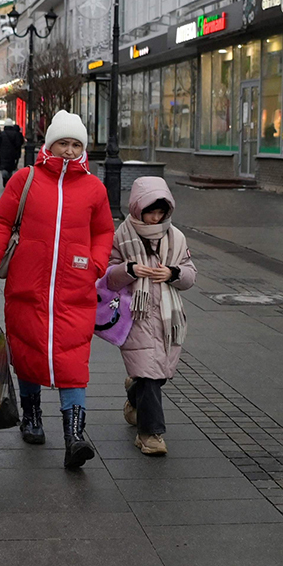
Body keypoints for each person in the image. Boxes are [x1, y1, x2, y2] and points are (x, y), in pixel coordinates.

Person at [0, 110, 113, 469]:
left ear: (84, 148)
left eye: (75, 144)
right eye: (62, 143)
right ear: (50, 144)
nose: (68, 150)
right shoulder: (25, 180)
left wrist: (95, 264)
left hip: (74, 289)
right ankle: (31, 416)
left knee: (73, 360)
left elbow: (104, 232)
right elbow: (2, 223)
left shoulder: (94, 188)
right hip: (27, 286)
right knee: (28, 351)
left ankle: (75, 436)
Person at [106, 177, 196, 456]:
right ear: (137, 208)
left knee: (158, 374)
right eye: (150, 211)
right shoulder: (121, 236)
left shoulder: (176, 237)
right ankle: (150, 434)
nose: (155, 217)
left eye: (160, 212)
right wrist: (130, 269)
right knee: (149, 373)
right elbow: (108, 276)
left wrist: (173, 273)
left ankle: (134, 393)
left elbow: (190, 274)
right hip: (136, 315)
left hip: (170, 319)